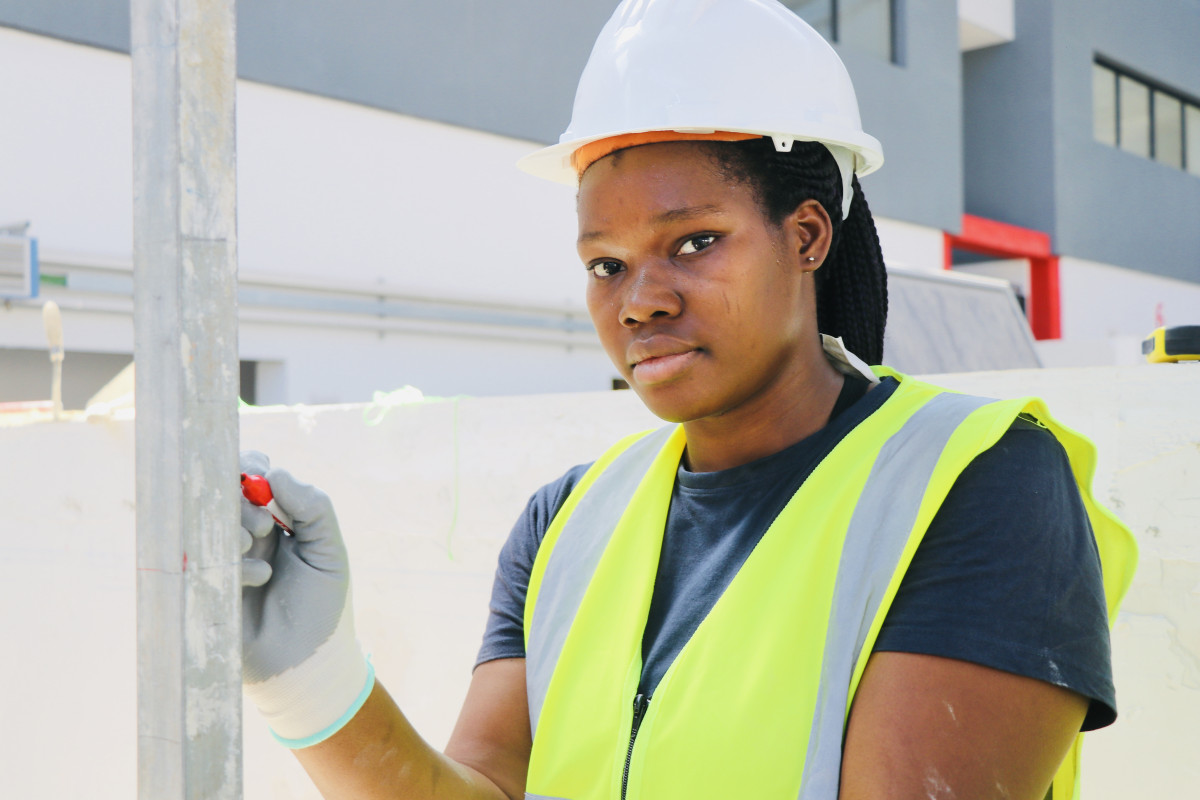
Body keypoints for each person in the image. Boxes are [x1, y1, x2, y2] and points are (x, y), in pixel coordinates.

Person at [239, 1, 1138, 798]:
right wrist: (315, 685)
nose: (641, 299)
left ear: (808, 235)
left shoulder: (979, 485)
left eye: (695, 242)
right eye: (606, 265)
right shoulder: (564, 524)